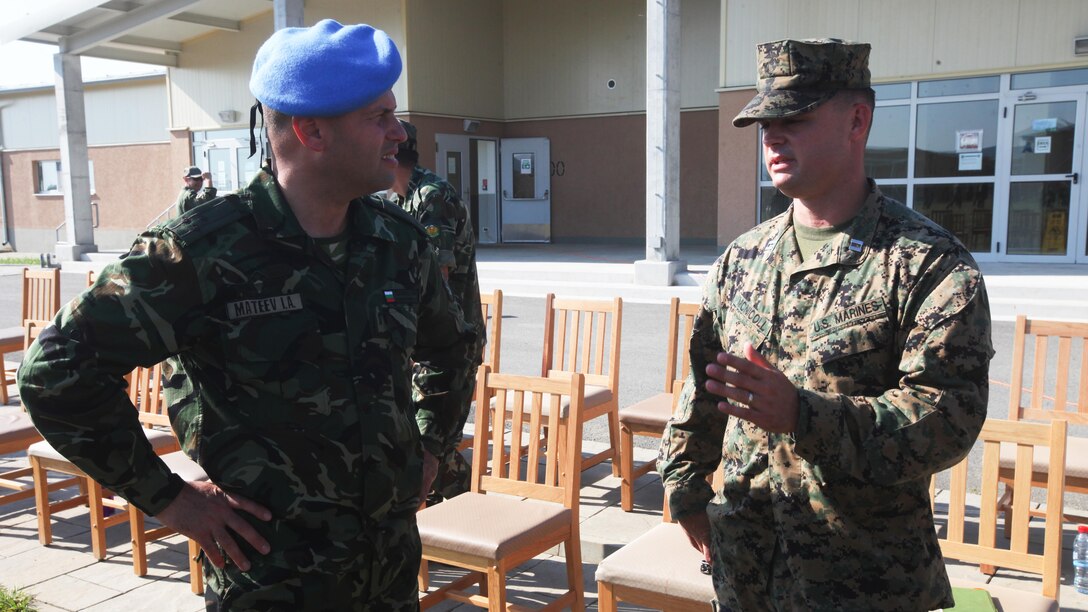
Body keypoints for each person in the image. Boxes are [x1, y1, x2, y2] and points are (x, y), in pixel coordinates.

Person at [19, 19, 475, 610]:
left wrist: (430, 446)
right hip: (272, 575)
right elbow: (55, 372)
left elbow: (453, 346)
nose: (398, 133)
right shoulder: (201, 251)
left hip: (386, 567)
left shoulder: (398, 242)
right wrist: (171, 500)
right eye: (378, 117)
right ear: (312, 131)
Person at [658, 38, 993, 611]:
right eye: (766, 122)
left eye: (796, 117)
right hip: (747, 571)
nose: (773, 137)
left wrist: (802, 415)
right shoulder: (743, 258)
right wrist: (684, 484)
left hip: (863, 580)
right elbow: (706, 382)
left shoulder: (926, 262)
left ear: (857, 120)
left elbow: (947, 416)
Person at [388, 120, 484, 503]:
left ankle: (467, 510)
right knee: (416, 441)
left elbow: (436, 280)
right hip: (417, 343)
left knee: (432, 445)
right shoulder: (395, 199)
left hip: (447, 342)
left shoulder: (431, 196)